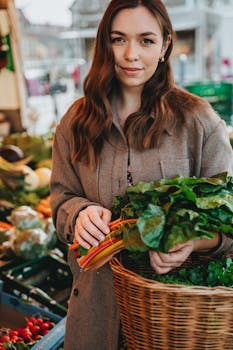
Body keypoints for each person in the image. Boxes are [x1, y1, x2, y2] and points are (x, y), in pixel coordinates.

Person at [50, 0, 233, 349]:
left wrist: (194, 241)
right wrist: (77, 214)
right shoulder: (75, 122)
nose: (131, 54)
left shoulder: (199, 122)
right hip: (93, 318)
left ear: (165, 45)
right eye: (119, 39)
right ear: (105, 42)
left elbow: (228, 219)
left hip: (172, 321)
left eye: (146, 40)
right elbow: (60, 200)